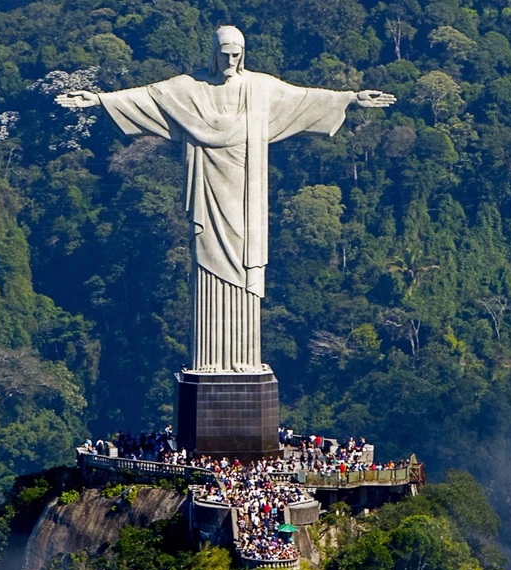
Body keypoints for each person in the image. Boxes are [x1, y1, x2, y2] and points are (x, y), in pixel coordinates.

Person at [58, 26, 394, 372]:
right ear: (214, 54)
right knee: (208, 259)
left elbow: (304, 98)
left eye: (237, 54)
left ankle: (243, 360)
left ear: (244, 54)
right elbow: (148, 97)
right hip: (209, 191)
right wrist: (99, 99)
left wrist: (351, 98)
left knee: (245, 266)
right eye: (225, 54)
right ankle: (209, 362)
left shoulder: (260, 88)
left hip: (247, 196)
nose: (231, 61)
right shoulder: (190, 88)